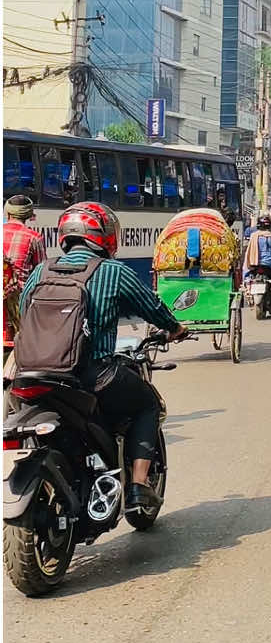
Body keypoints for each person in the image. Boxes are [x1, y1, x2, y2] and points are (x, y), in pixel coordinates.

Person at [19, 201, 187, 512]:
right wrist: (176, 329)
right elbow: (153, 309)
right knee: (146, 403)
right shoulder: (112, 272)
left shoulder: (41, 271)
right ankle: (138, 485)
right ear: (105, 236)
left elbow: (23, 312)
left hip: (33, 374)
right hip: (90, 375)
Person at [4, 195, 47, 347]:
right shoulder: (34, 238)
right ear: (28, 215)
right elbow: (41, 274)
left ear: (7, 213)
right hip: (19, 304)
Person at [243, 214, 271, 288]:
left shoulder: (253, 236)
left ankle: (246, 285)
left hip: (254, 263)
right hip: (269, 264)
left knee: (246, 272)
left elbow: (248, 250)